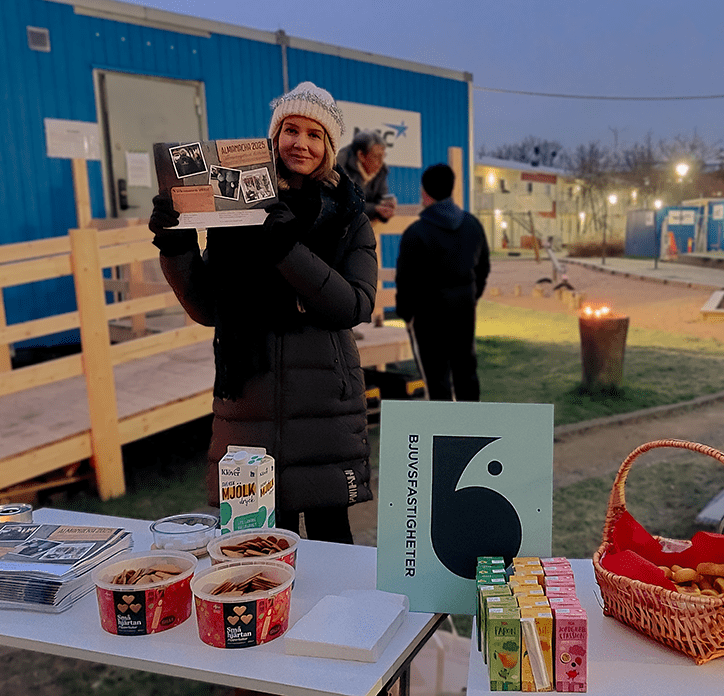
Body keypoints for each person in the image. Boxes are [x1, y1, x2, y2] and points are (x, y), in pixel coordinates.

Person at [147, 81, 378, 544]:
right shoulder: (235, 209)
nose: (301, 143)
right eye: (290, 129)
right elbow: (208, 306)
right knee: (256, 547)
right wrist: (176, 245)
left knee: (332, 542)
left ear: (329, 147)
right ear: (273, 137)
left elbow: (353, 305)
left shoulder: (349, 215)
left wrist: (287, 249)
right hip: (248, 400)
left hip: (323, 408)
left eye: (315, 135)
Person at [395, 163, 490, 401]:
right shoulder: (472, 225)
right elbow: (483, 268)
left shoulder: (415, 233)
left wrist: (405, 312)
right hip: (463, 309)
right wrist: (471, 296)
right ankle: (472, 430)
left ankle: (442, 433)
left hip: (429, 314)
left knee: (437, 379)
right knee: (466, 371)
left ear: (425, 193)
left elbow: (405, 280)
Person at [336, 130, 396, 223]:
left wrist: (387, 205)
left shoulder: (381, 170)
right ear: (361, 156)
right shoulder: (340, 165)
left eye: (383, 156)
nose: (381, 162)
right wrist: (374, 209)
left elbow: (380, 198)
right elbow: (345, 203)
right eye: (376, 156)